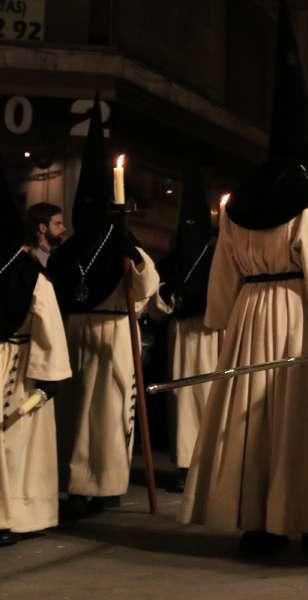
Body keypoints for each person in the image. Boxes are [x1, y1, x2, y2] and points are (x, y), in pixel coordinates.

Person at [180, 1, 308, 553]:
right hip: (296, 313)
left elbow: (223, 269)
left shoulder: (239, 201)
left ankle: (257, 521)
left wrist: (220, 318)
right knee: (296, 417)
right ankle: (305, 518)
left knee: (252, 418)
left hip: (250, 316)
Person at [47, 99, 160, 516]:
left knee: (109, 413)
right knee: (76, 413)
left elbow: (146, 287)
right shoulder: (67, 251)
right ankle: (77, 484)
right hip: (77, 330)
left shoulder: (121, 244)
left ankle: (108, 483)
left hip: (113, 332)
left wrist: (135, 261)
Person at [0, 161, 71, 546]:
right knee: (18, 446)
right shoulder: (30, 274)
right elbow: (47, 326)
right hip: (17, 362)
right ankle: (15, 515)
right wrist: (50, 378)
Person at [152, 167, 221, 492]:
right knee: (182, 397)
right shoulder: (173, 259)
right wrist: (170, 300)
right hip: (181, 335)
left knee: (207, 395)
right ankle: (184, 463)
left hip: (210, 334)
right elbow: (158, 296)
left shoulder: (217, 256)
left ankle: (210, 461)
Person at [25, 202, 66, 267]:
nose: (64, 228)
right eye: (57, 224)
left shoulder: (58, 254)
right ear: (42, 228)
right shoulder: (28, 257)